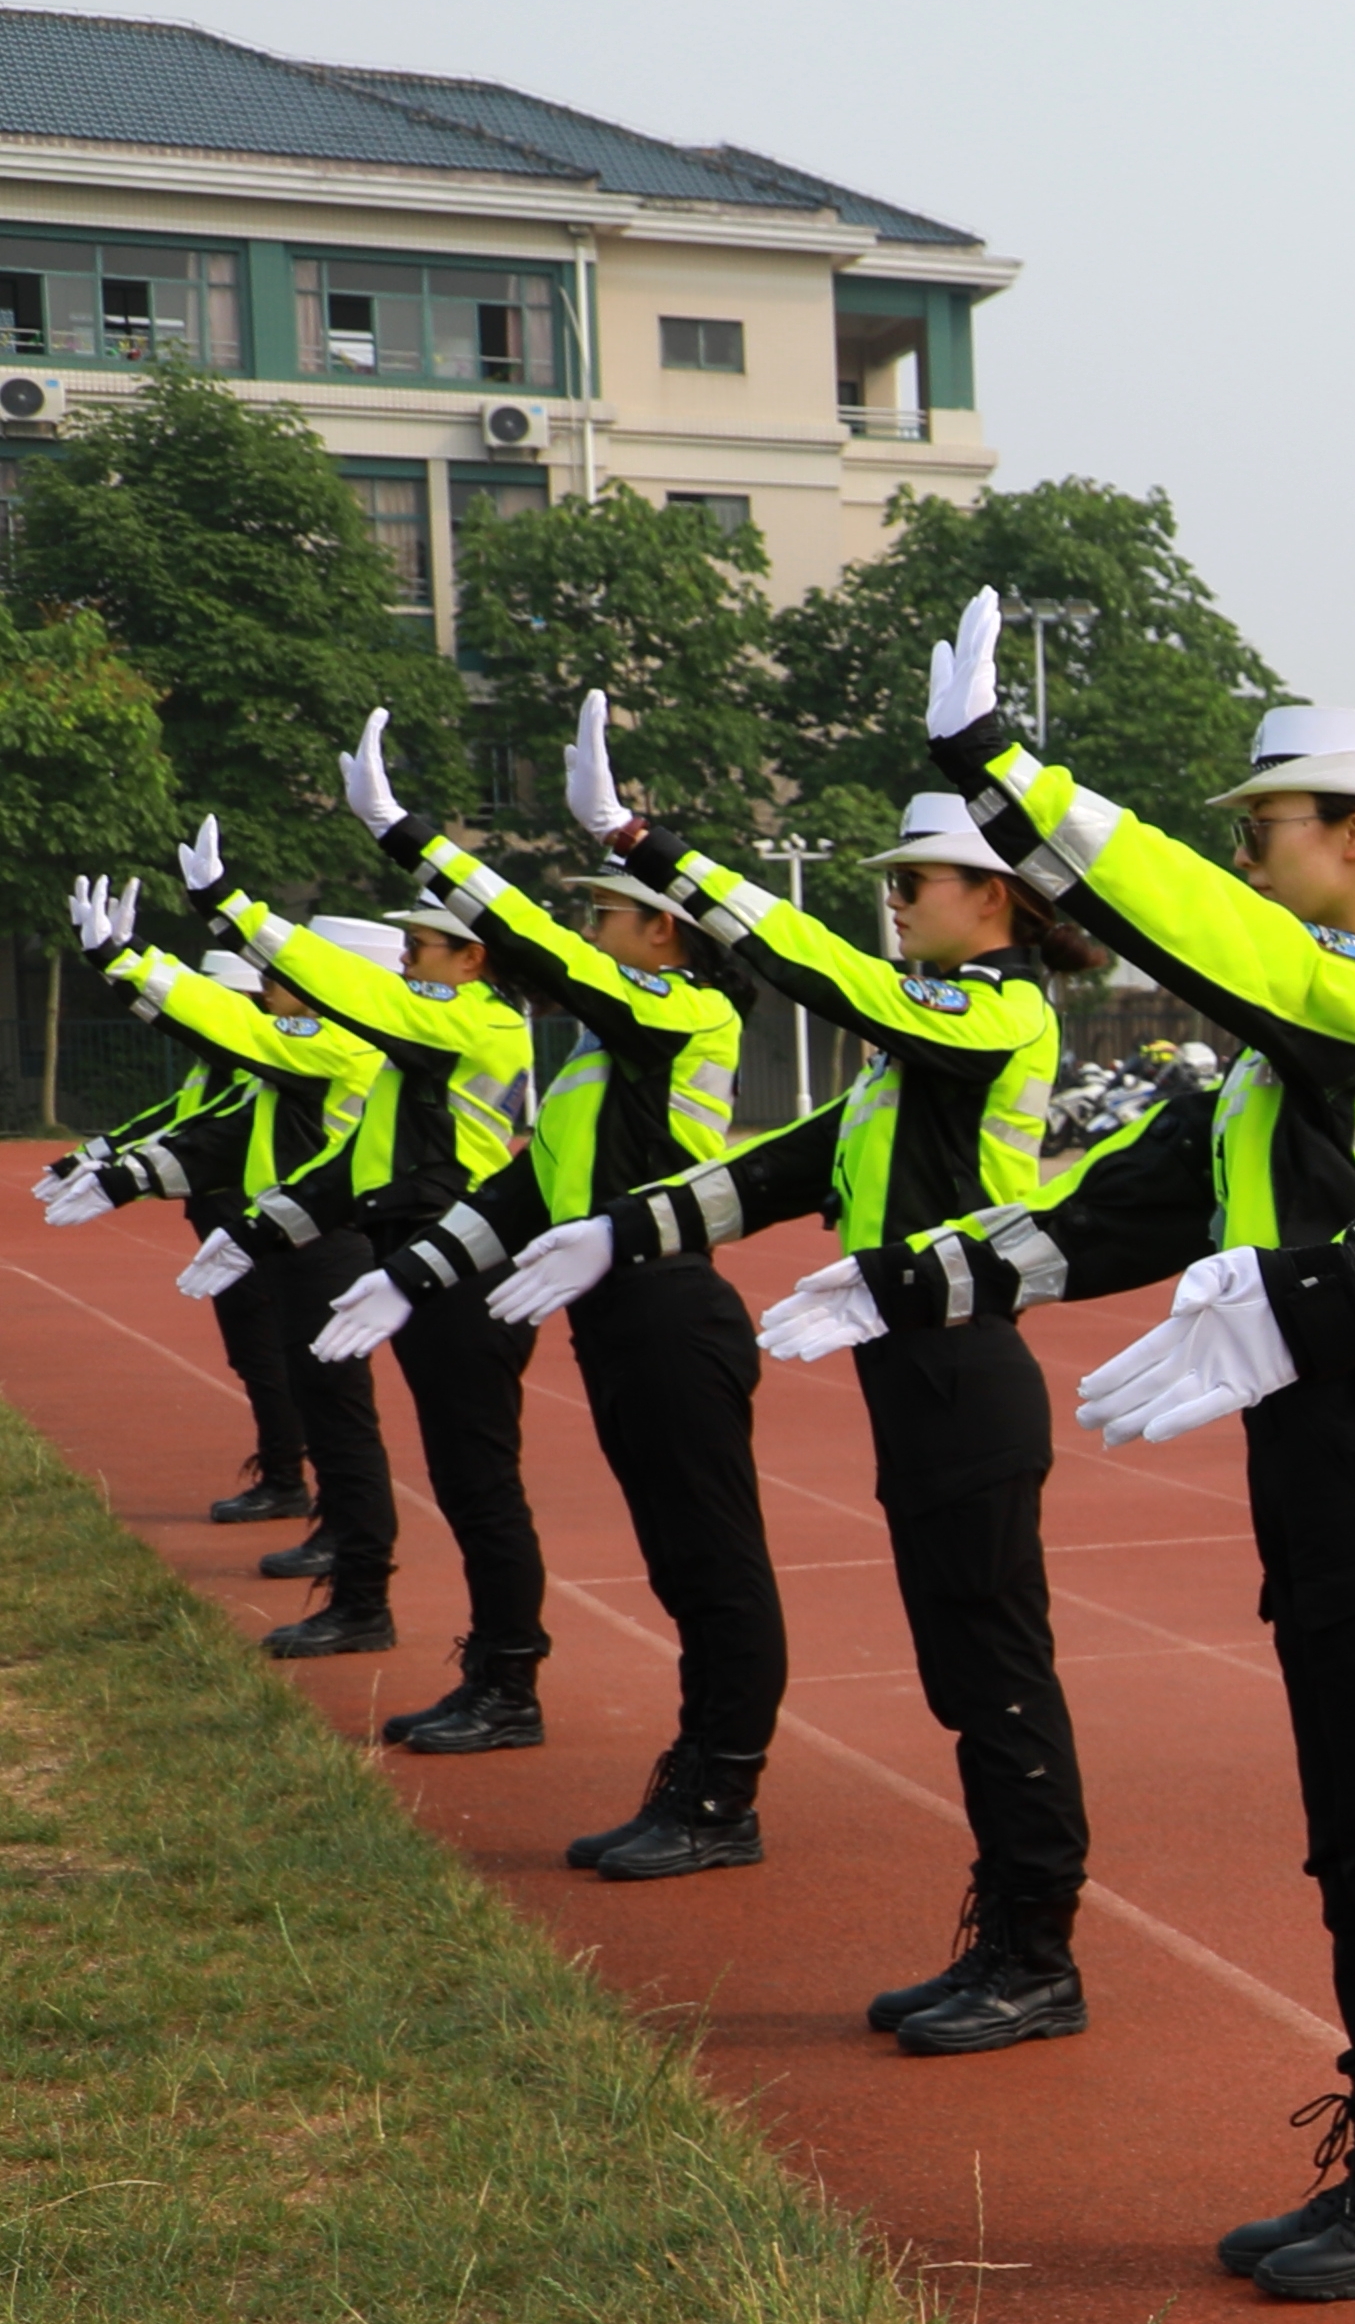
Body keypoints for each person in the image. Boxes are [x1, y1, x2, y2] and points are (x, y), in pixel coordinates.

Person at [849, 624, 1355, 2291]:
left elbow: (1209, 935)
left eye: (1270, 822)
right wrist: (908, 1276)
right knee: (1353, 1836)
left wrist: (1011, 774)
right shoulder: (1300, 1044)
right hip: (1314, 1458)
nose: (1244, 854)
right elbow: (1122, 1211)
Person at [499, 770, 1104, 2059]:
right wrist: (622, 1230)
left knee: (995, 1672)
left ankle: (1036, 1952)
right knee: (962, 1672)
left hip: (963, 1368)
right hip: (915, 1376)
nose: (892, 904)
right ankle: (1007, 1936)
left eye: (911, 883)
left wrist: (658, 845)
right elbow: (774, 1170)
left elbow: (828, 974)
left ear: (990, 896)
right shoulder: (911, 1059)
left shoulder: (996, 1012)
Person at [309, 698, 785, 1873]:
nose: (595, 932)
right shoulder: (605, 1055)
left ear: (667, 938)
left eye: (612, 915)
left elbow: (538, 950)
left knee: (714, 1563)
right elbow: (531, 1192)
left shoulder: (684, 1013)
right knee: (681, 1563)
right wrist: (417, 1273)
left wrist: (409, 835)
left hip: (672, 1310)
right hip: (617, 1316)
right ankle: (700, 1776)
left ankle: (721, 1795)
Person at [125, 823, 541, 1713]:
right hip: (401, 1248)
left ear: (472, 958)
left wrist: (169, 947)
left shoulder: (467, 1025)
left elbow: (257, 1028)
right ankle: (382, 1609)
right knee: (427, 1459)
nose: (403, 963)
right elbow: (358, 1161)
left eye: (420, 947)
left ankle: (504, 1676)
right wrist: (263, 1227)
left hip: (457, 1259)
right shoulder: (415, 1037)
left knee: (472, 1478)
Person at [40, 909, 340, 1528]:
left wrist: (129, 961)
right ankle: (288, 1472)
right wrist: (98, 1155)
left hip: (245, 1203)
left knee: (266, 1353)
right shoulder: (229, 1054)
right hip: (222, 1198)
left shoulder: (254, 1050)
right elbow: (181, 1109)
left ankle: (287, 1476)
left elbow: (196, 1101)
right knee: (258, 1352)